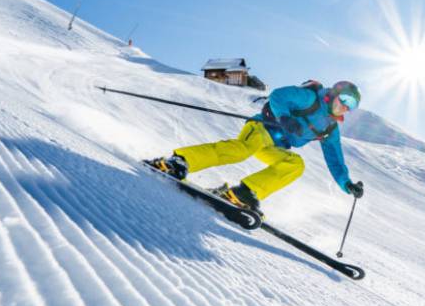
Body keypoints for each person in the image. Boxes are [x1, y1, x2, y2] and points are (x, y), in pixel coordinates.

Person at [148, 80, 364, 212]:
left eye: (352, 105)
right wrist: (285, 117)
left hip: (277, 145)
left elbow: (335, 159)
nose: (346, 106)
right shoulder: (311, 98)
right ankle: (179, 161)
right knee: (242, 149)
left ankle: (245, 192)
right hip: (262, 128)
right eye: (345, 98)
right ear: (335, 93)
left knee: (295, 165)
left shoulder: (330, 129)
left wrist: (347, 184)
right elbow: (279, 95)